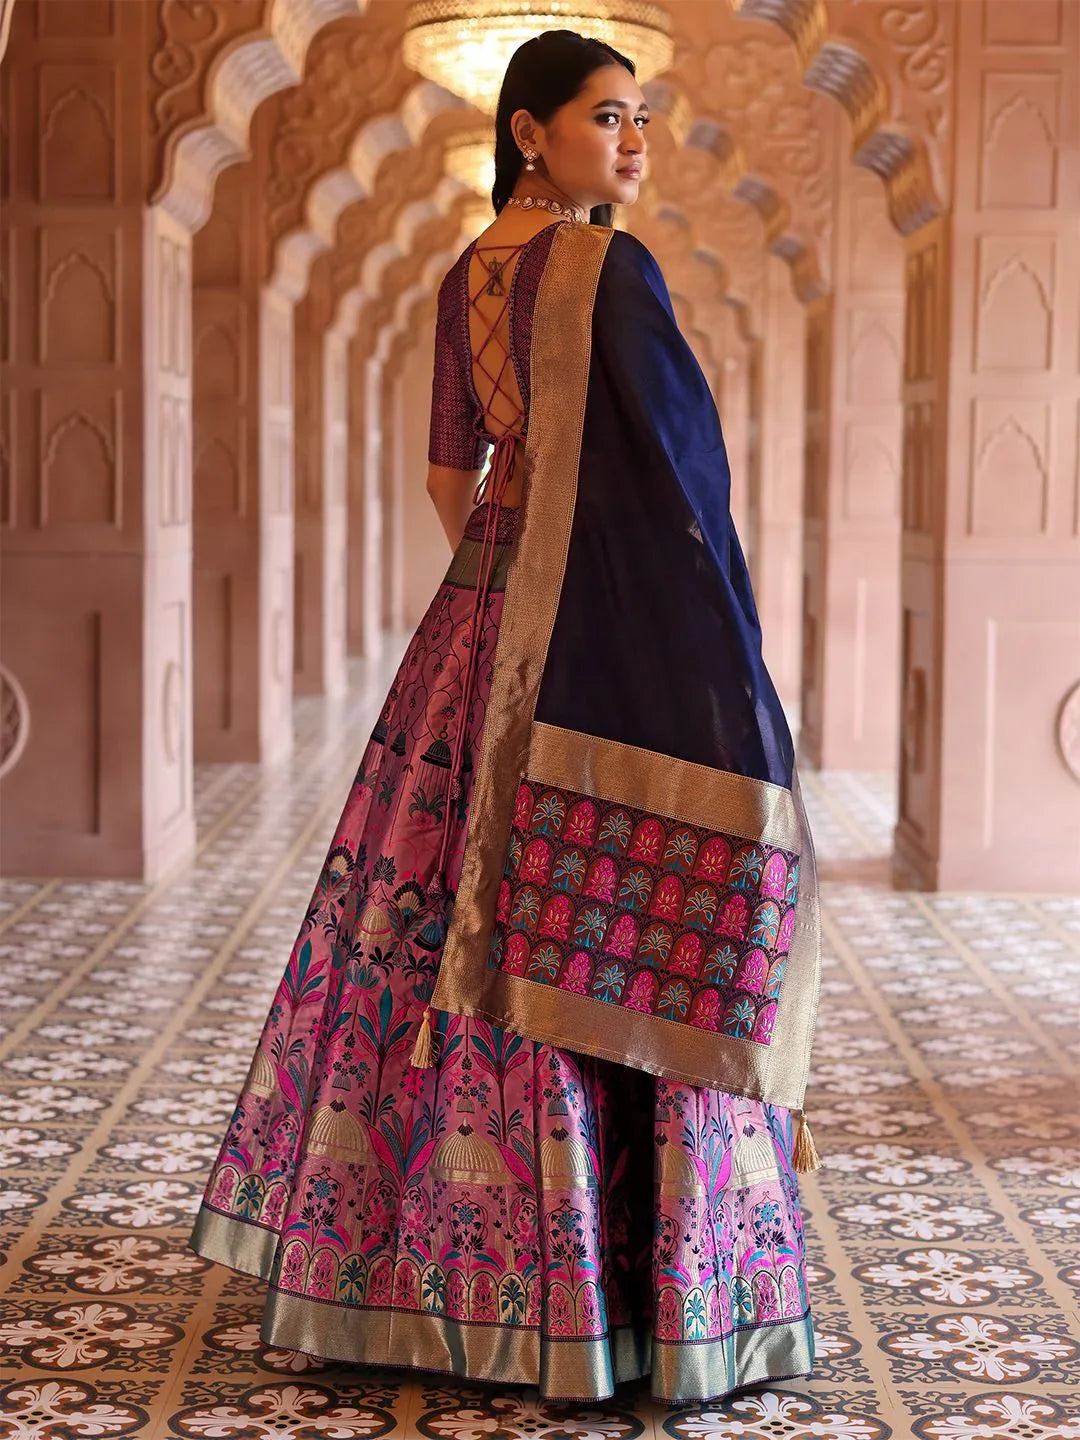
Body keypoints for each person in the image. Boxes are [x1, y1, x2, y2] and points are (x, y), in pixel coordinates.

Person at [190, 29, 823, 1406]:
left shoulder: (462, 273)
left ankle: (426, 1282)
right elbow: (682, 485)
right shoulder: (609, 269)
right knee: (594, 915)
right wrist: (711, 653)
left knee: (425, 912)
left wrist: (505, 575)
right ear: (529, 131)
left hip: (473, 631)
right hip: (591, 639)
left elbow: (448, 471)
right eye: (608, 118)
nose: (635, 143)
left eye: (642, 118)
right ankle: (623, 1298)